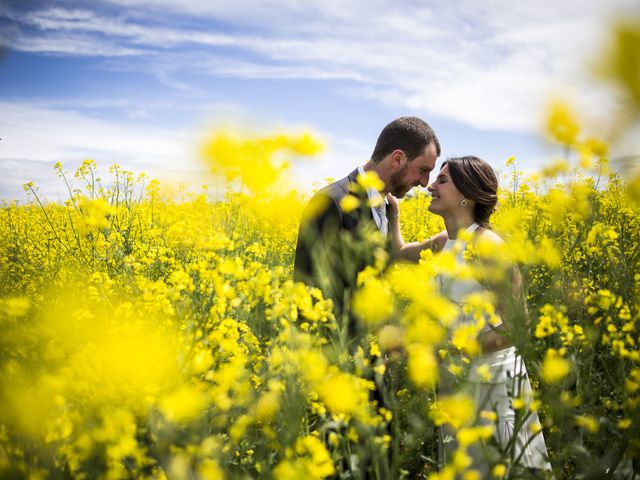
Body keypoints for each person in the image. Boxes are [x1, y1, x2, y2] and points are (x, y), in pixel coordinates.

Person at [387, 156, 553, 477]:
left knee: (503, 468)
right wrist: (393, 214)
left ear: (468, 195)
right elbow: (399, 253)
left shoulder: (487, 247)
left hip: (493, 387)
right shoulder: (442, 244)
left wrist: (456, 349)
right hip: (456, 384)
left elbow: (519, 328)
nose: (431, 186)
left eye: (443, 181)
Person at [293, 116, 440, 345]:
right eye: (423, 170)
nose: (424, 182)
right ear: (397, 159)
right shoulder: (331, 202)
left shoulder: (388, 207)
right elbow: (309, 296)